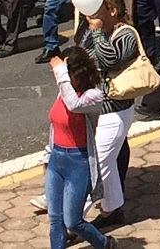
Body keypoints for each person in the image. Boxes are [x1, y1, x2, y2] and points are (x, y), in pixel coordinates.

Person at [44, 49, 120, 249]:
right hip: (57, 159)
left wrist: (60, 72)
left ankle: (103, 243)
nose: (65, 79)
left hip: (78, 162)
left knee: (73, 221)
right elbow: (56, 123)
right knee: (55, 219)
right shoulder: (65, 89)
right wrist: (47, 155)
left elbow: (74, 105)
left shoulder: (94, 96)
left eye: (70, 74)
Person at [81, 0, 138, 223]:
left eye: (96, 11)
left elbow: (109, 61)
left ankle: (72, 222)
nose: (90, 17)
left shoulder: (126, 35)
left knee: (95, 167)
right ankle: (113, 209)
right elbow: (85, 56)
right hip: (98, 110)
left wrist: (95, 32)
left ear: (112, 11)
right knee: (107, 162)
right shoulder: (98, 33)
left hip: (115, 111)